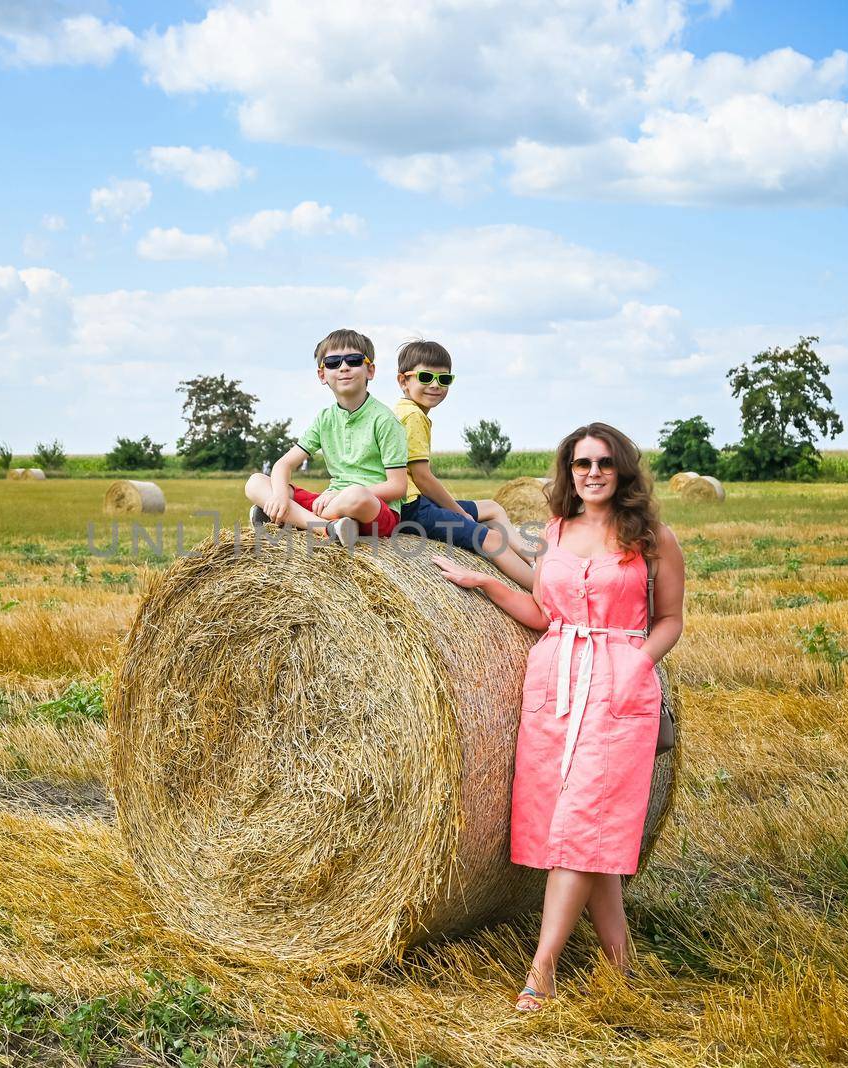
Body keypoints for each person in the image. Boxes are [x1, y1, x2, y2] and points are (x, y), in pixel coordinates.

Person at [432, 422, 685, 1012]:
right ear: (568, 472)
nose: (591, 472)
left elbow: (670, 619)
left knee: (578, 828)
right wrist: (485, 585)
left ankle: (541, 968)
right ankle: (621, 964)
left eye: (602, 462)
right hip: (557, 681)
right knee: (577, 827)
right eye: (580, 464)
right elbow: (546, 611)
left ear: (621, 470)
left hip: (619, 685)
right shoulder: (555, 532)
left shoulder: (652, 538)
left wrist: (636, 665)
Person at [245, 329, 408, 548]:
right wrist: (281, 496)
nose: (343, 367)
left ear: (370, 370)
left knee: (356, 495)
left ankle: (293, 519)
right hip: (329, 504)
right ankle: (326, 528)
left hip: (374, 510)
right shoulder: (325, 419)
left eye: (354, 360)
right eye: (332, 362)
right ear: (322, 375)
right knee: (255, 482)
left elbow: (398, 487)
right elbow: (284, 464)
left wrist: (340, 494)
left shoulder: (384, 420)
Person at [392, 339, 533, 588]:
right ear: (404, 381)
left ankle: (530, 557)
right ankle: (544, 594)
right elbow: (423, 477)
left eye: (444, 379)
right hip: (411, 508)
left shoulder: (404, 411)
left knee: (492, 507)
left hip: (414, 503)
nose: (435, 385)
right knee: (489, 540)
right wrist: (460, 513)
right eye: (425, 377)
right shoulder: (413, 416)